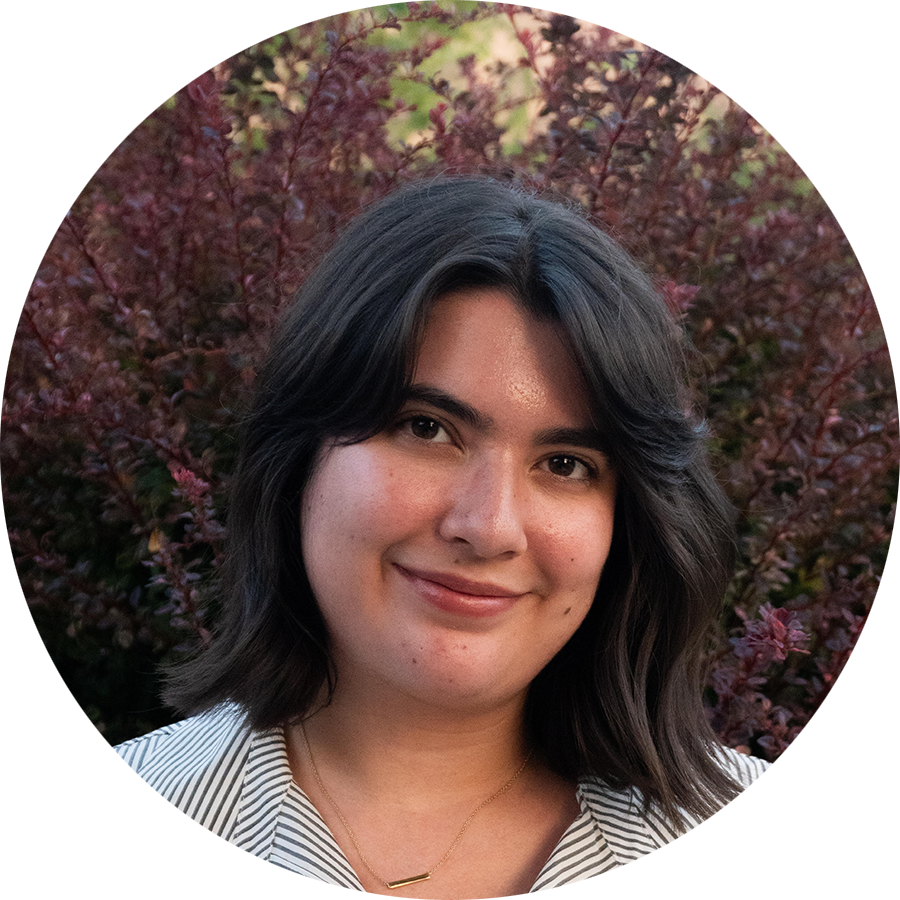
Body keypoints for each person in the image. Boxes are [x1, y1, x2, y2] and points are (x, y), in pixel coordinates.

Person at [0, 177, 881, 900]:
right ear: (299, 457)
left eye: (567, 464)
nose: (487, 526)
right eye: (426, 428)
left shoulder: (761, 855)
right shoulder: (67, 853)